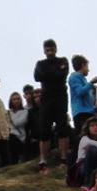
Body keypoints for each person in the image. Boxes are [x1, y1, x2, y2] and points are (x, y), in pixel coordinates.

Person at [35, 39, 72, 170]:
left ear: (56, 49)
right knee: (44, 129)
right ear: (44, 50)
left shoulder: (63, 60)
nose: (49, 51)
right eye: (47, 49)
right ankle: (43, 160)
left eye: (51, 48)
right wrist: (54, 73)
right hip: (46, 99)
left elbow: (62, 74)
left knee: (62, 126)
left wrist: (48, 74)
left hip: (60, 97)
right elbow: (37, 76)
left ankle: (64, 158)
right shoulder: (40, 63)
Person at [68, 55, 97, 134]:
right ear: (82, 65)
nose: (88, 70)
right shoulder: (74, 77)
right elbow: (80, 92)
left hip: (88, 113)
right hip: (81, 114)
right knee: (84, 137)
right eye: (87, 66)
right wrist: (91, 83)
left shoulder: (83, 79)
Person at [8, 91, 30, 163]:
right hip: (10, 137)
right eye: (14, 99)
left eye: (18, 99)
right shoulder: (8, 112)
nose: (16, 101)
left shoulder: (25, 112)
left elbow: (18, 123)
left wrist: (10, 117)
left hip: (20, 137)